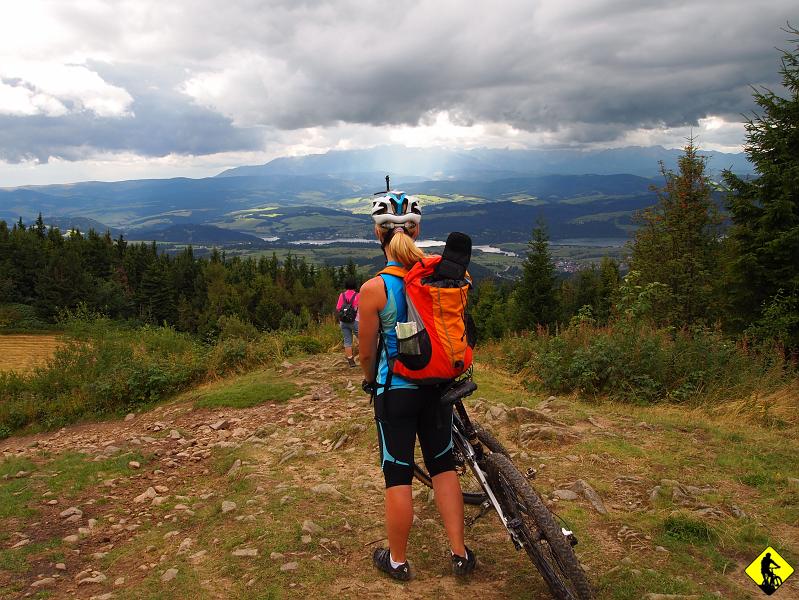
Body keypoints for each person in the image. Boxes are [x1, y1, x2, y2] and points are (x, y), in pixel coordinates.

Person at [358, 188, 476, 581]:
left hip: (397, 392)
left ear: (378, 235)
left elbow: (366, 354)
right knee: (443, 466)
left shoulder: (375, 289)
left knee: (398, 473)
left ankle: (397, 561)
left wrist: (368, 380)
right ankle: (459, 554)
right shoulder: (433, 275)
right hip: (438, 388)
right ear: (418, 229)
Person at [336, 280, 360, 367]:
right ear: (355, 286)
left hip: (343, 321)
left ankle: (350, 360)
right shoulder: (358, 295)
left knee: (347, 340)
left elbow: (338, 308)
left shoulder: (342, 295)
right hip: (355, 321)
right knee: (362, 340)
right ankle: (365, 358)